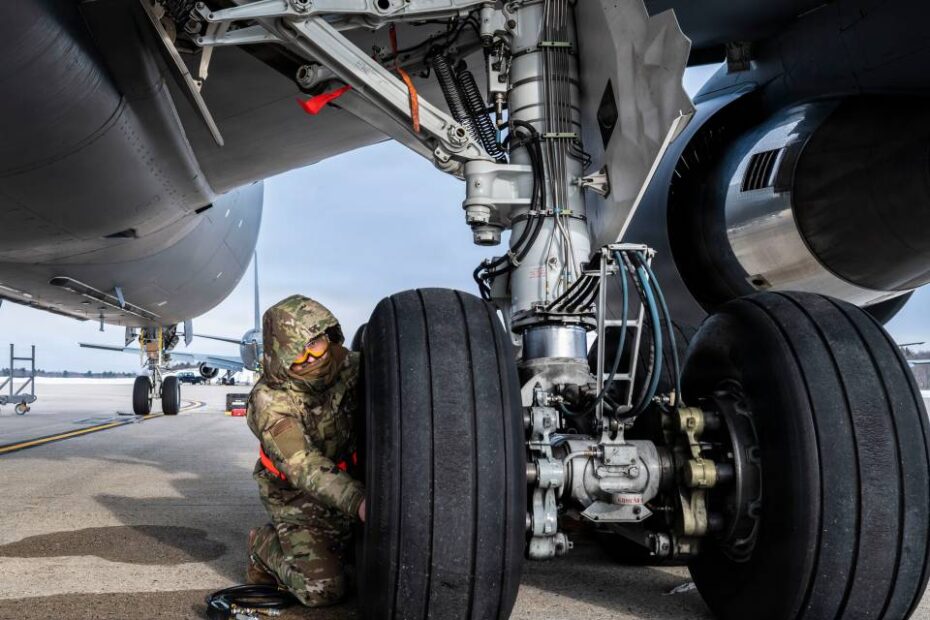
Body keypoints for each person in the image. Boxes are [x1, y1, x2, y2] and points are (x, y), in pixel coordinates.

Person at [245, 294, 365, 607]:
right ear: (280, 358)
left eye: (314, 346)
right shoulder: (269, 401)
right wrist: (360, 501)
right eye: (296, 356)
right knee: (322, 588)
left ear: (328, 337)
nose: (309, 359)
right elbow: (301, 464)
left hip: (350, 476)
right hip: (297, 497)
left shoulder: (350, 367)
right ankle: (263, 545)